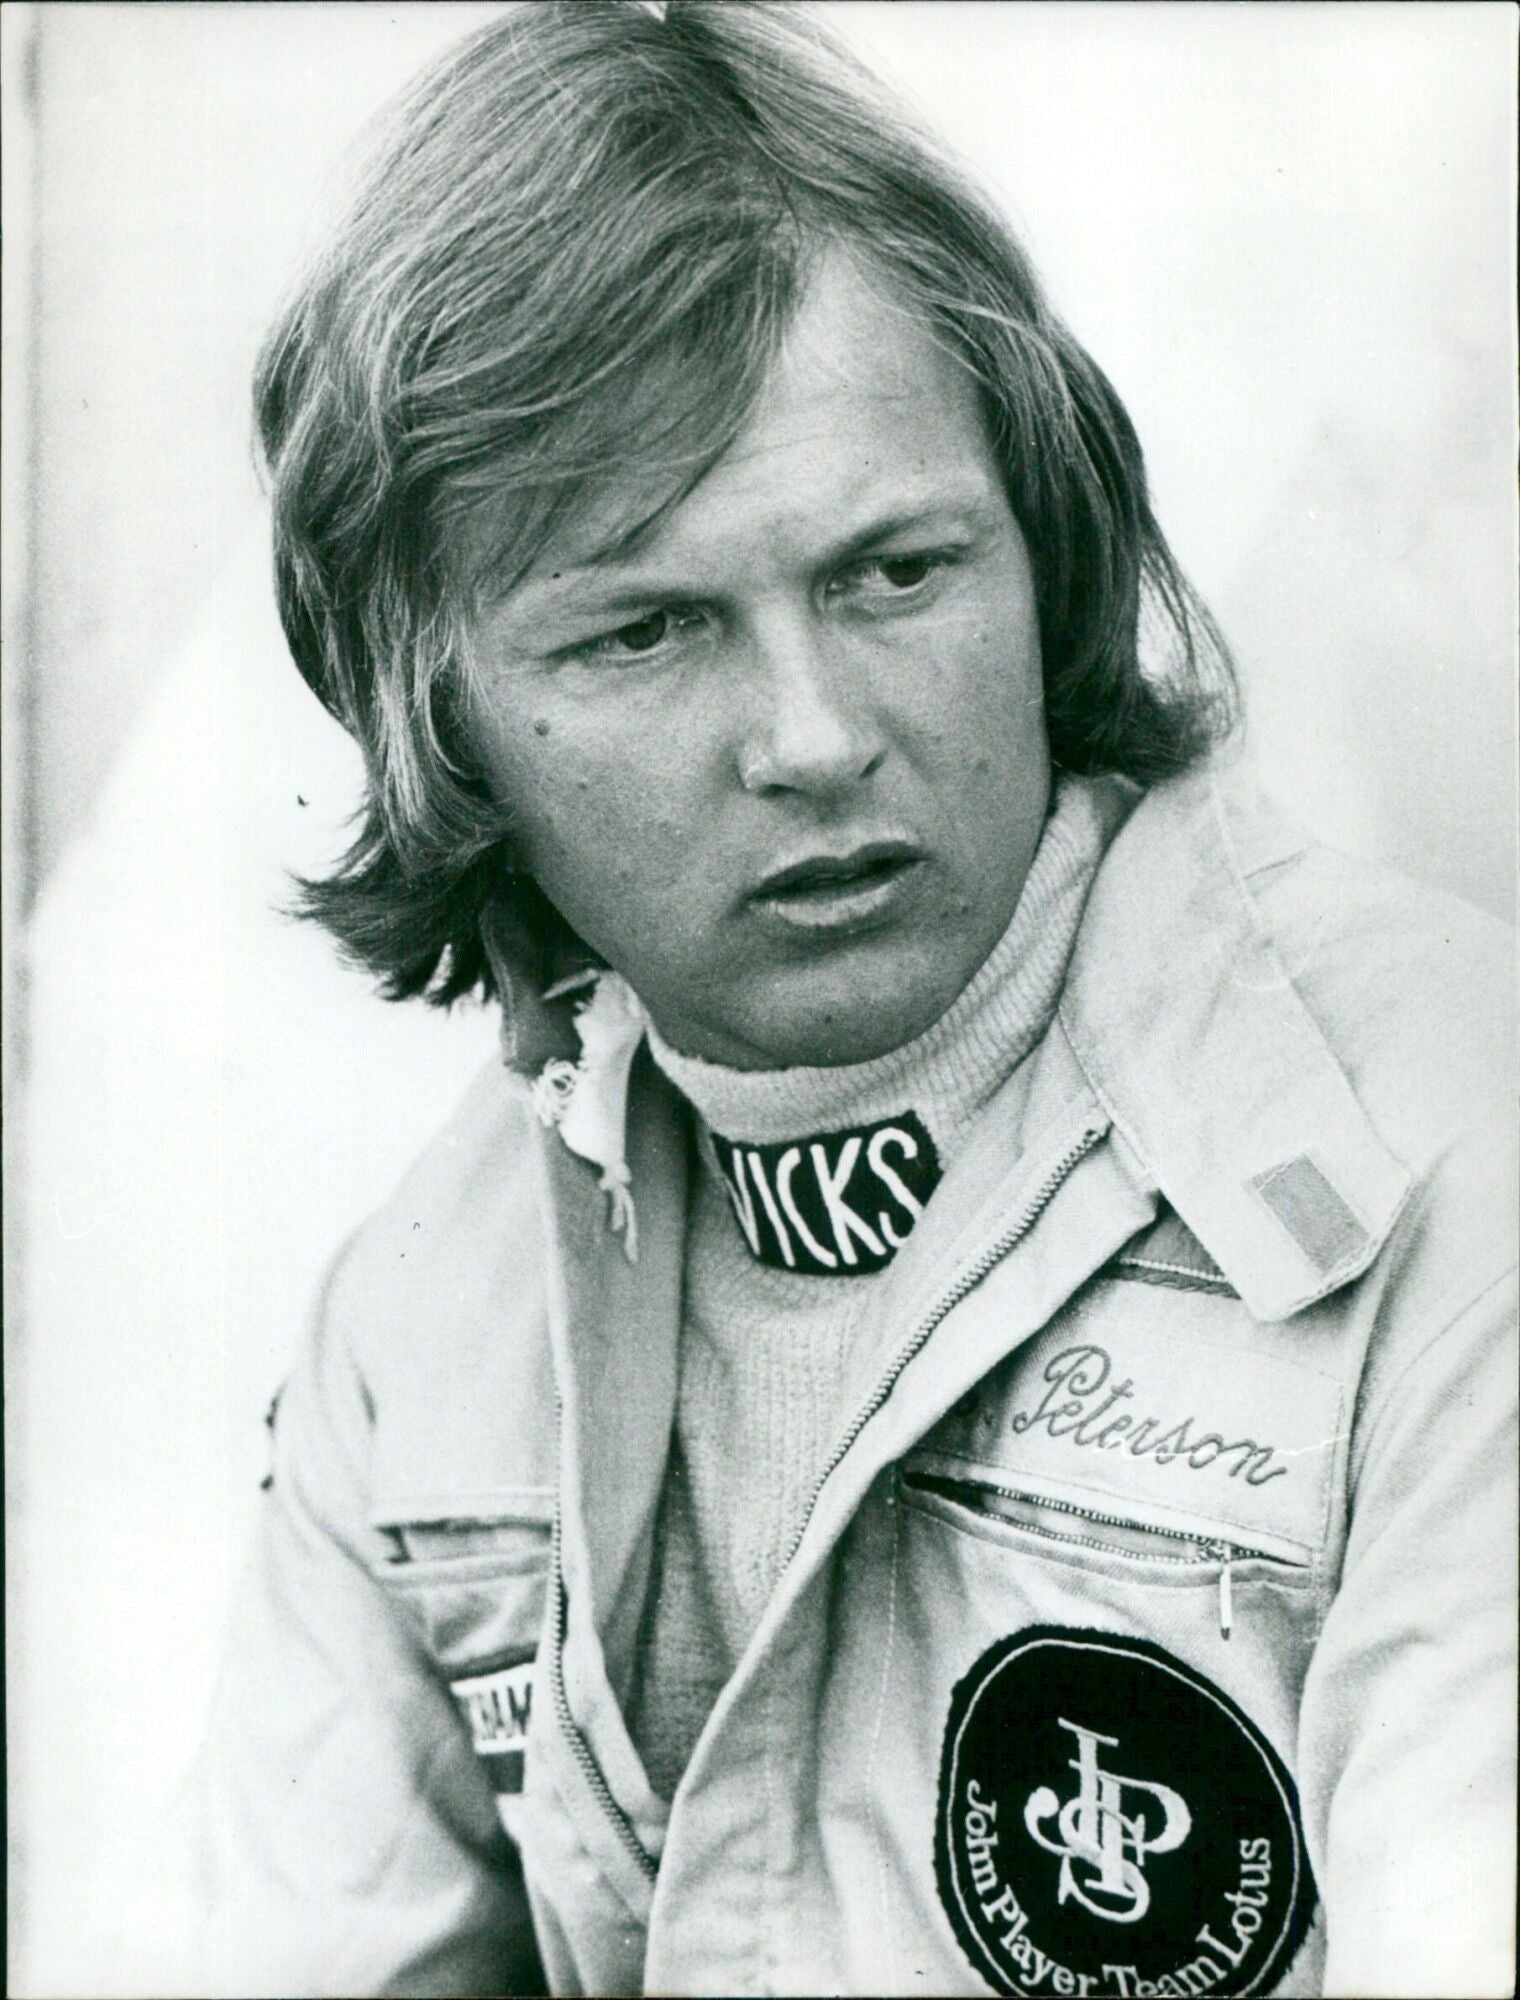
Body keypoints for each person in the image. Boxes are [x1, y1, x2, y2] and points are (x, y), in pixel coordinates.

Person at [137, 3, 1515, 1994]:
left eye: (893, 573)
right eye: (646, 627)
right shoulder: (426, 1314)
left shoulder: (1453, 1155)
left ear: (1047, 556)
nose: (812, 735)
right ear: (448, 729)